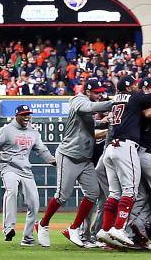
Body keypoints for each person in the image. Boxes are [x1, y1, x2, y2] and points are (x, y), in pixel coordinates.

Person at [96, 75, 151, 248]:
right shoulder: (135, 98)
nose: (138, 88)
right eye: (135, 85)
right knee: (131, 191)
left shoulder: (115, 101)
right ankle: (119, 228)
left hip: (111, 148)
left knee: (115, 193)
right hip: (126, 146)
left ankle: (105, 230)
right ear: (129, 88)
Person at [36, 78, 113, 248]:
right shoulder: (79, 100)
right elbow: (89, 108)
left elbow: (90, 124)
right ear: (87, 91)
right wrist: (114, 103)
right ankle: (42, 223)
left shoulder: (88, 105)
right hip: (68, 155)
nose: (100, 95)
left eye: (101, 92)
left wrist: (103, 123)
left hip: (84, 159)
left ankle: (74, 228)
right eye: (97, 92)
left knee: (93, 193)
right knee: (62, 196)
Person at [0, 105, 56, 246]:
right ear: (17, 115)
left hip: (26, 170)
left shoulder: (33, 132)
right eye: (24, 114)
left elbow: (42, 150)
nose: (27, 117)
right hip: (9, 167)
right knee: (11, 191)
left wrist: (52, 160)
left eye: (28, 114)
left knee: (34, 204)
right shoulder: (6, 130)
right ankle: (9, 229)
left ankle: (27, 238)